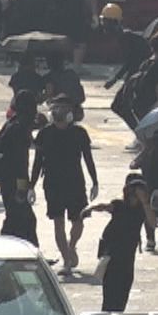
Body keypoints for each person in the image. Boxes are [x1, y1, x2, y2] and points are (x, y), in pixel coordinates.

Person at [32, 98, 99, 274]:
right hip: (53, 183)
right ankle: (66, 260)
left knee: (79, 218)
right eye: (56, 108)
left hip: (75, 181)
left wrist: (95, 181)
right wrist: (31, 185)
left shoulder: (79, 133)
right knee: (58, 221)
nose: (59, 111)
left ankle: (71, 245)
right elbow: (38, 162)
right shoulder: (44, 134)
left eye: (64, 108)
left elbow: (88, 158)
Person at [89, 174, 157, 312]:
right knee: (109, 300)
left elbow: (153, 223)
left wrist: (145, 202)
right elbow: (105, 206)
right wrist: (89, 209)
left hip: (127, 261)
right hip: (112, 259)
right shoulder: (119, 205)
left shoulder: (141, 210)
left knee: (121, 299)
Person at [0, 90, 39, 244]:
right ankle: (30, 253)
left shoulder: (13, 124)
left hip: (6, 179)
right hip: (14, 181)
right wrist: (23, 189)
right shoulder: (19, 130)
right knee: (25, 219)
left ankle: (29, 252)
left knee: (16, 218)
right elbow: (20, 165)